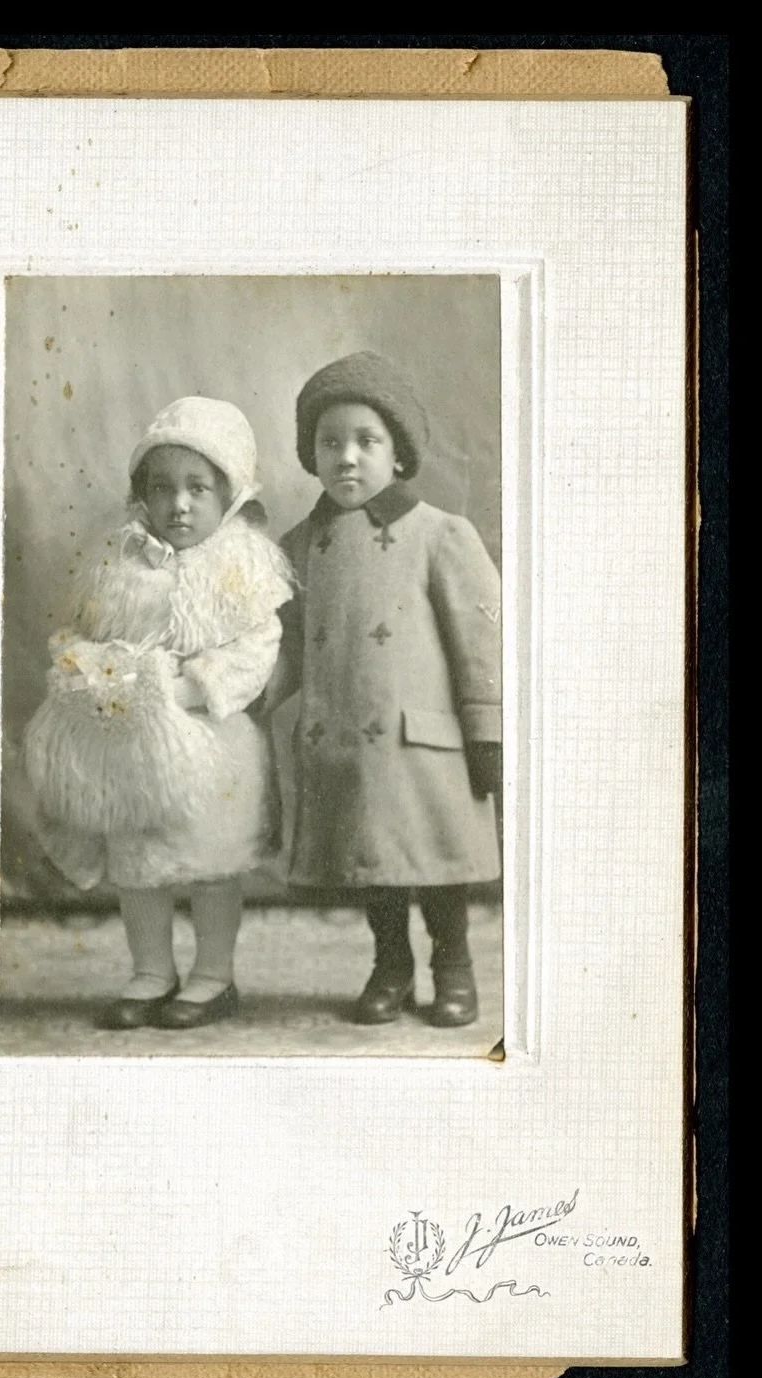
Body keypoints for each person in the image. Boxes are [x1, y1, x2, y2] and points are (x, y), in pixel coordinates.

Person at [23, 397, 294, 1030]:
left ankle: (212, 976)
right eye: (162, 488)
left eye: (198, 488)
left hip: (214, 745)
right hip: (135, 745)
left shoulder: (244, 568)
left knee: (211, 863)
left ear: (229, 493)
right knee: (138, 863)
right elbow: (88, 633)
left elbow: (256, 653)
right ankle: (150, 971)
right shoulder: (118, 568)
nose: (179, 504)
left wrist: (181, 686)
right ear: (140, 494)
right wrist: (90, 669)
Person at [267, 352, 502, 1027]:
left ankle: (453, 967)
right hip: (346, 744)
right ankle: (391, 965)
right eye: (329, 442)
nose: (347, 458)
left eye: (366, 441)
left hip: (423, 745)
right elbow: (286, 644)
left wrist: (488, 730)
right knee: (375, 869)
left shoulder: (438, 535)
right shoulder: (300, 545)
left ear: (398, 455)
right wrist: (253, 697)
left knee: (436, 865)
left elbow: (480, 641)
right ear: (311, 456)